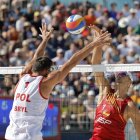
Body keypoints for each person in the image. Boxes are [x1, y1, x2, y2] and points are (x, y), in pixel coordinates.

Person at [5, 23, 111, 140]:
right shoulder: (44, 83)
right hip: (28, 136)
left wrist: (44, 40)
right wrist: (94, 43)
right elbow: (71, 62)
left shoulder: (23, 76)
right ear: (46, 70)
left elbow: (36, 58)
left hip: (11, 134)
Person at [90, 25, 140, 140]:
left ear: (129, 83)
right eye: (118, 74)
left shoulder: (129, 105)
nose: (119, 75)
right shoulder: (105, 90)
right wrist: (99, 42)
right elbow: (95, 65)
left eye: (123, 74)